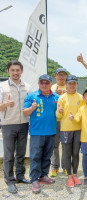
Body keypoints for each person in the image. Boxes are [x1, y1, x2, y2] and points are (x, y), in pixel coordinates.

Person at [23, 74, 59, 194]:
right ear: (38, 83)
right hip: (37, 132)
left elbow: (61, 112)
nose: (44, 85)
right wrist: (32, 108)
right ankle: (34, 179)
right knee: (35, 156)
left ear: (50, 84)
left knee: (47, 155)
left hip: (51, 131)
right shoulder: (32, 96)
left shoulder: (57, 97)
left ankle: (44, 175)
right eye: (42, 82)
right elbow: (25, 112)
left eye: (47, 83)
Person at [0, 61, 31, 194]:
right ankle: (10, 180)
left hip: (24, 123)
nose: (15, 73)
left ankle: (20, 176)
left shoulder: (27, 87)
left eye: (18, 70)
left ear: (21, 71)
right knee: (8, 155)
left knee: (21, 152)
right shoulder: (2, 86)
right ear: (8, 71)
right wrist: (5, 104)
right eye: (12, 70)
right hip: (8, 124)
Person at [56, 75, 84, 188]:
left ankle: (75, 174)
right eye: (70, 83)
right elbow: (58, 117)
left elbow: (82, 112)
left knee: (76, 153)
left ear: (77, 84)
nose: (72, 85)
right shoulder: (62, 98)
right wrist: (59, 111)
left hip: (78, 129)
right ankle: (69, 177)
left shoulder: (81, 97)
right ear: (66, 85)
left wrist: (75, 118)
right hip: (65, 130)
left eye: (74, 83)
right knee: (67, 154)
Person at [50, 68, 68, 177]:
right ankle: (54, 167)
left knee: (66, 145)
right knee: (54, 145)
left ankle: (65, 167)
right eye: (59, 75)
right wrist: (56, 95)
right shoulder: (51, 88)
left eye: (63, 75)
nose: (61, 77)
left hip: (66, 121)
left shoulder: (70, 87)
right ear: (55, 76)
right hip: (54, 120)